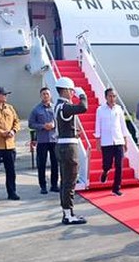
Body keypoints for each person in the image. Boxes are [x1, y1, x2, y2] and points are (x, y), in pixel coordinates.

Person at [54, 77, 88, 224]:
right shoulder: (64, 106)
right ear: (66, 90)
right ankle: (68, 215)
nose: (73, 93)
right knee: (70, 181)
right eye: (71, 90)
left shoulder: (60, 106)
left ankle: (67, 212)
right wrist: (82, 95)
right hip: (68, 147)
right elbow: (83, 107)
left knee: (66, 180)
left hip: (63, 145)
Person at [95, 88, 130, 197]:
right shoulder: (100, 110)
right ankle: (105, 172)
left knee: (119, 165)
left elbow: (123, 125)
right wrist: (98, 141)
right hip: (106, 141)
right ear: (106, 97)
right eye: (110, 96)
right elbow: (97, 125)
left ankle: (116, 188)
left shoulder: (119, 109)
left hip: (118, 140)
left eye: (114, 96)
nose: (112, 98)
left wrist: (125, 140)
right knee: (107, 164)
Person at [28, 87, 59, 195]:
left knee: (55, 163)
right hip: (42, 140)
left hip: (54, 139)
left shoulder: (55, 108)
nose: (45, 96)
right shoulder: (36, 109)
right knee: (42, 164)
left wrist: (54, 125)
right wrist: (42, 126)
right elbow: (31, 124)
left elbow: (60, 120)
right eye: (43, 94)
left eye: (47, 94)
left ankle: (54, 185)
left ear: (50, 96)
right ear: (40, 96)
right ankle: (43, 186)